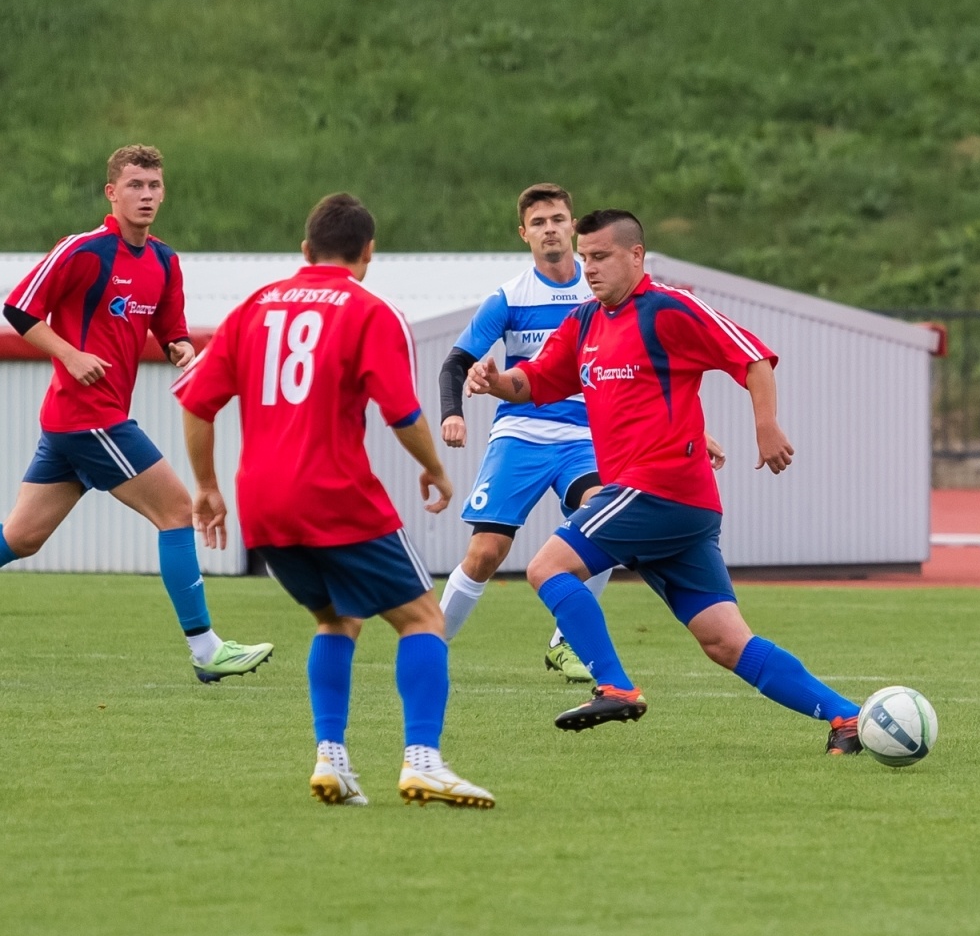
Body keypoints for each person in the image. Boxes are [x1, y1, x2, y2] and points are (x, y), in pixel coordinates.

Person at [467, 209, 865, 754]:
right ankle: (847, 717)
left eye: (601, 257)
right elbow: (535, 379)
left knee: (546, 567)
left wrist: (766, 426)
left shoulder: (669, 309)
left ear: (636, 256)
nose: (590, 269)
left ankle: (615, 687)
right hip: (674, 507)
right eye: (585, 258)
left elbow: (752, 359)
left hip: (661, 488)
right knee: (725, 642)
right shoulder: (583, 323)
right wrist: (496, 383)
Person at [175, 193, 494, 807]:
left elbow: (195, 400)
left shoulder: (253, 308)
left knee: (336, 618)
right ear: (368, 252)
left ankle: (332, 759)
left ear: (305, 250)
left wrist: (208, 487)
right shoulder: (371, 311)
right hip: (335, 495)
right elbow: (402, 412)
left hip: (264, 506)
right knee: (423, 619)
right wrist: (434, 469)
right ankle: (423, 760)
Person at [0, 144, 272, 682]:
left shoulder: (165, 261)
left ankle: (206, 650)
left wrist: (180, 349)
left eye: (154, 186)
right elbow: (18, 307)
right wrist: (71, 355)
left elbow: (169, 329)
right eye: (135, 186)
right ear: (112, 193)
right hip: (88, 416)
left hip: (79, 424)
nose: (146, 195)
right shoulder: (83, 250)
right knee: (176, 510)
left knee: (21, 538)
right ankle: (206, 651)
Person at [435, 184, 610, 682]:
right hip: (522, 433)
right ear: (524, 234)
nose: (550, 228)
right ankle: (431, 645)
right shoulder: (510, 297)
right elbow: (456, 363)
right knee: (487, 551)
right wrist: (454, 413)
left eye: (557, 218)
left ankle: (566, 641)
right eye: (539, 222)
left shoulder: (599, 290)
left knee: (605, 526)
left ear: (572, 226)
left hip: (583, 436)